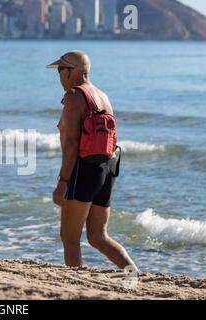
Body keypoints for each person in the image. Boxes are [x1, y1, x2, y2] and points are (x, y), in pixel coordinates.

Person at [46, 50, 138, 271]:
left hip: (84, 169)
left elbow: (70, 144)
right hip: (107, 167)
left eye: (60, 70)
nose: (58, 75)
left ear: (72, 72)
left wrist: (62, 181)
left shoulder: (74, 96)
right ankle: (133, 276)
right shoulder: (103, 96)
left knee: (69, 238)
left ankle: (76, 286)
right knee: (98, 236)